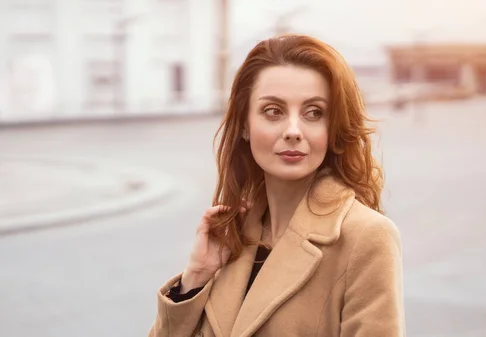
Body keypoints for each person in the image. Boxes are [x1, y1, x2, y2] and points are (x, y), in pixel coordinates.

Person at [148, 34, 406, 337]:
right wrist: (195, 279)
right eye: (273, 111)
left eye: (313, 113)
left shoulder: (367, 237)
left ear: (332, 128)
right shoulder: (233, 235)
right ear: (245, 124)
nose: (293, 131)